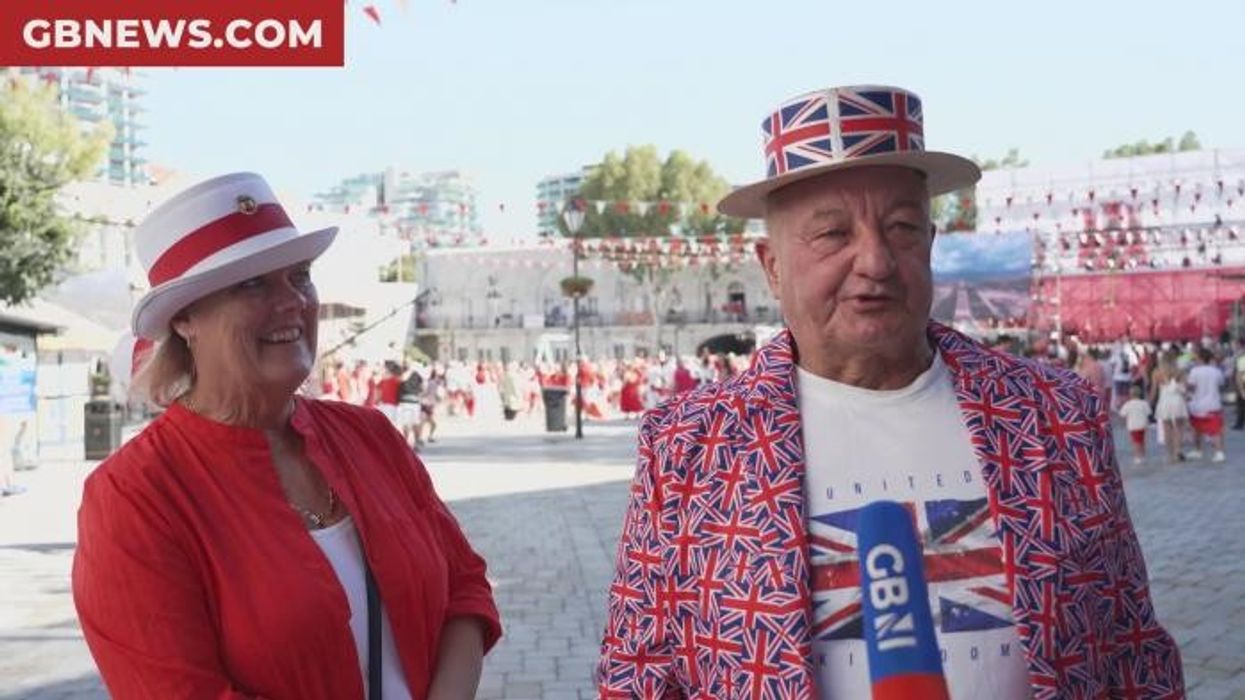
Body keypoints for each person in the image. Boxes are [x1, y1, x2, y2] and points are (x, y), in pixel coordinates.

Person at [598, 86, 1182, 698]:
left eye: (901, 227)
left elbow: (1133, 654)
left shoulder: (1057, 417)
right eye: (832, 234)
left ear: (929, 243)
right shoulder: (689, 447)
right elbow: (639, 675)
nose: (875, 260)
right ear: (771, 265)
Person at [72, 173, 500, 699]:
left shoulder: (369, 436)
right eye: (252, 283)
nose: (292, 301)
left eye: (299, 275)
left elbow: (465, 587)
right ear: (185, 318)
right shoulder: (134, 497)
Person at [1186, 346, 1227, 462]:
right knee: (1215, 430)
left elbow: (1191, 387)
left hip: (1197, 405)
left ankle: (1198, 450)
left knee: (1196, 429)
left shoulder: (1194, 371)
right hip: (1213, 404)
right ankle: (1219, 452)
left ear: (1200, 358)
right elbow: (1221, 385)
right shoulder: (1216, 371)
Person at [1151, 348, 1191, 464]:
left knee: (1166, 428)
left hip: (1164, 401)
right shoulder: (1179, 371)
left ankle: (1170, 453)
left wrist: (1150, 401)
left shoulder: (1157, 372)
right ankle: (1178, 451)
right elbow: (1185, 387)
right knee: (1179, 428)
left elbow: (1154, 390)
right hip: (1177, 400)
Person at [1118, 385, 1152, 465]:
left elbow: (1122, 414)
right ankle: (1143, 455)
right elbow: (1148, 413)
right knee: (1142, 440)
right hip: (1143, 424)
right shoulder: (1144, 403)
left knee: (1135, 442)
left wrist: (1123, 423)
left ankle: (1137, 456)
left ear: (1130, 394)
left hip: (1133, 426)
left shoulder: (1128, 404)